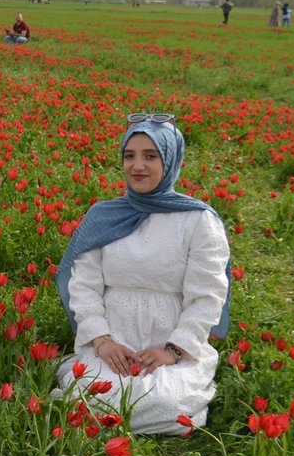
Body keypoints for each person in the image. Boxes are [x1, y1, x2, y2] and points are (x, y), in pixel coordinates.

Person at [52, 114, 231, 435]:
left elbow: (208, 295)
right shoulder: (103, 216)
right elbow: (84, 285)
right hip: (112, 341)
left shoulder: (198, 221)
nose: (138, 166)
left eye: (150, 156)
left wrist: (173, 350)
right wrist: (102, 340)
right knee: (88, 400)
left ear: (171, 160)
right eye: (129, 156)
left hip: (169, 344)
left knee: (167, 406)